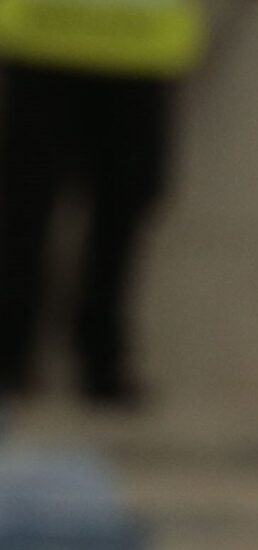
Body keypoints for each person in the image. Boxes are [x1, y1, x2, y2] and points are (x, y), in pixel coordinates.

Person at [0, 0, 203, 402]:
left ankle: (100, 352)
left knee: (125, 201)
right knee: (25, 205)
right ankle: (12, 349)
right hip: (42, 33)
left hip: (143, 41)